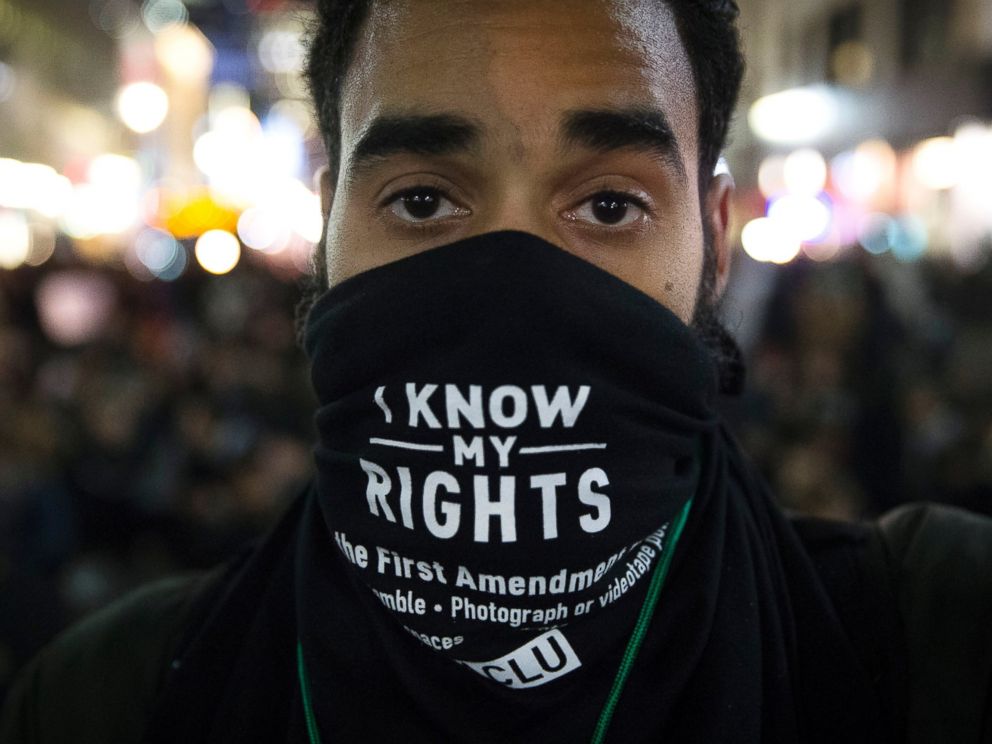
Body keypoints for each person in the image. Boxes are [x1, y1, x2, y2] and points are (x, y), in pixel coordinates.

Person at [3, 1, 991, 742]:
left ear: (714, 241)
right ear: (325, 225)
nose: (513, 286)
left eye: (609, 207)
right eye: (424, 199)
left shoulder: (940, 638)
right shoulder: (105, 702)